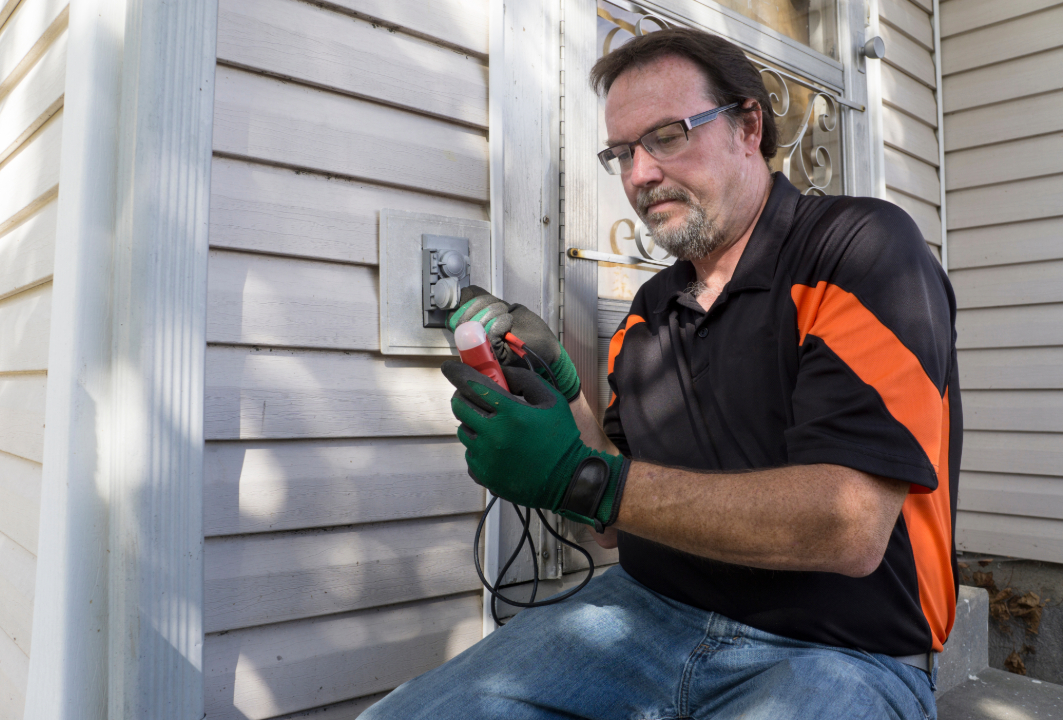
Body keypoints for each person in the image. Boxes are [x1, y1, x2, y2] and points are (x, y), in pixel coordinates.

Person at [359, 26, 959, 720]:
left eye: (668, 135)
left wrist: (585, 479)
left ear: (747, 126)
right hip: (645, 617)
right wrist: (564, 394)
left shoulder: (861, 250)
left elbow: (849, 528)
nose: (639, 174)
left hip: (843, 651)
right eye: (622, 152)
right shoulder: (650, 313)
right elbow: (618, 516)